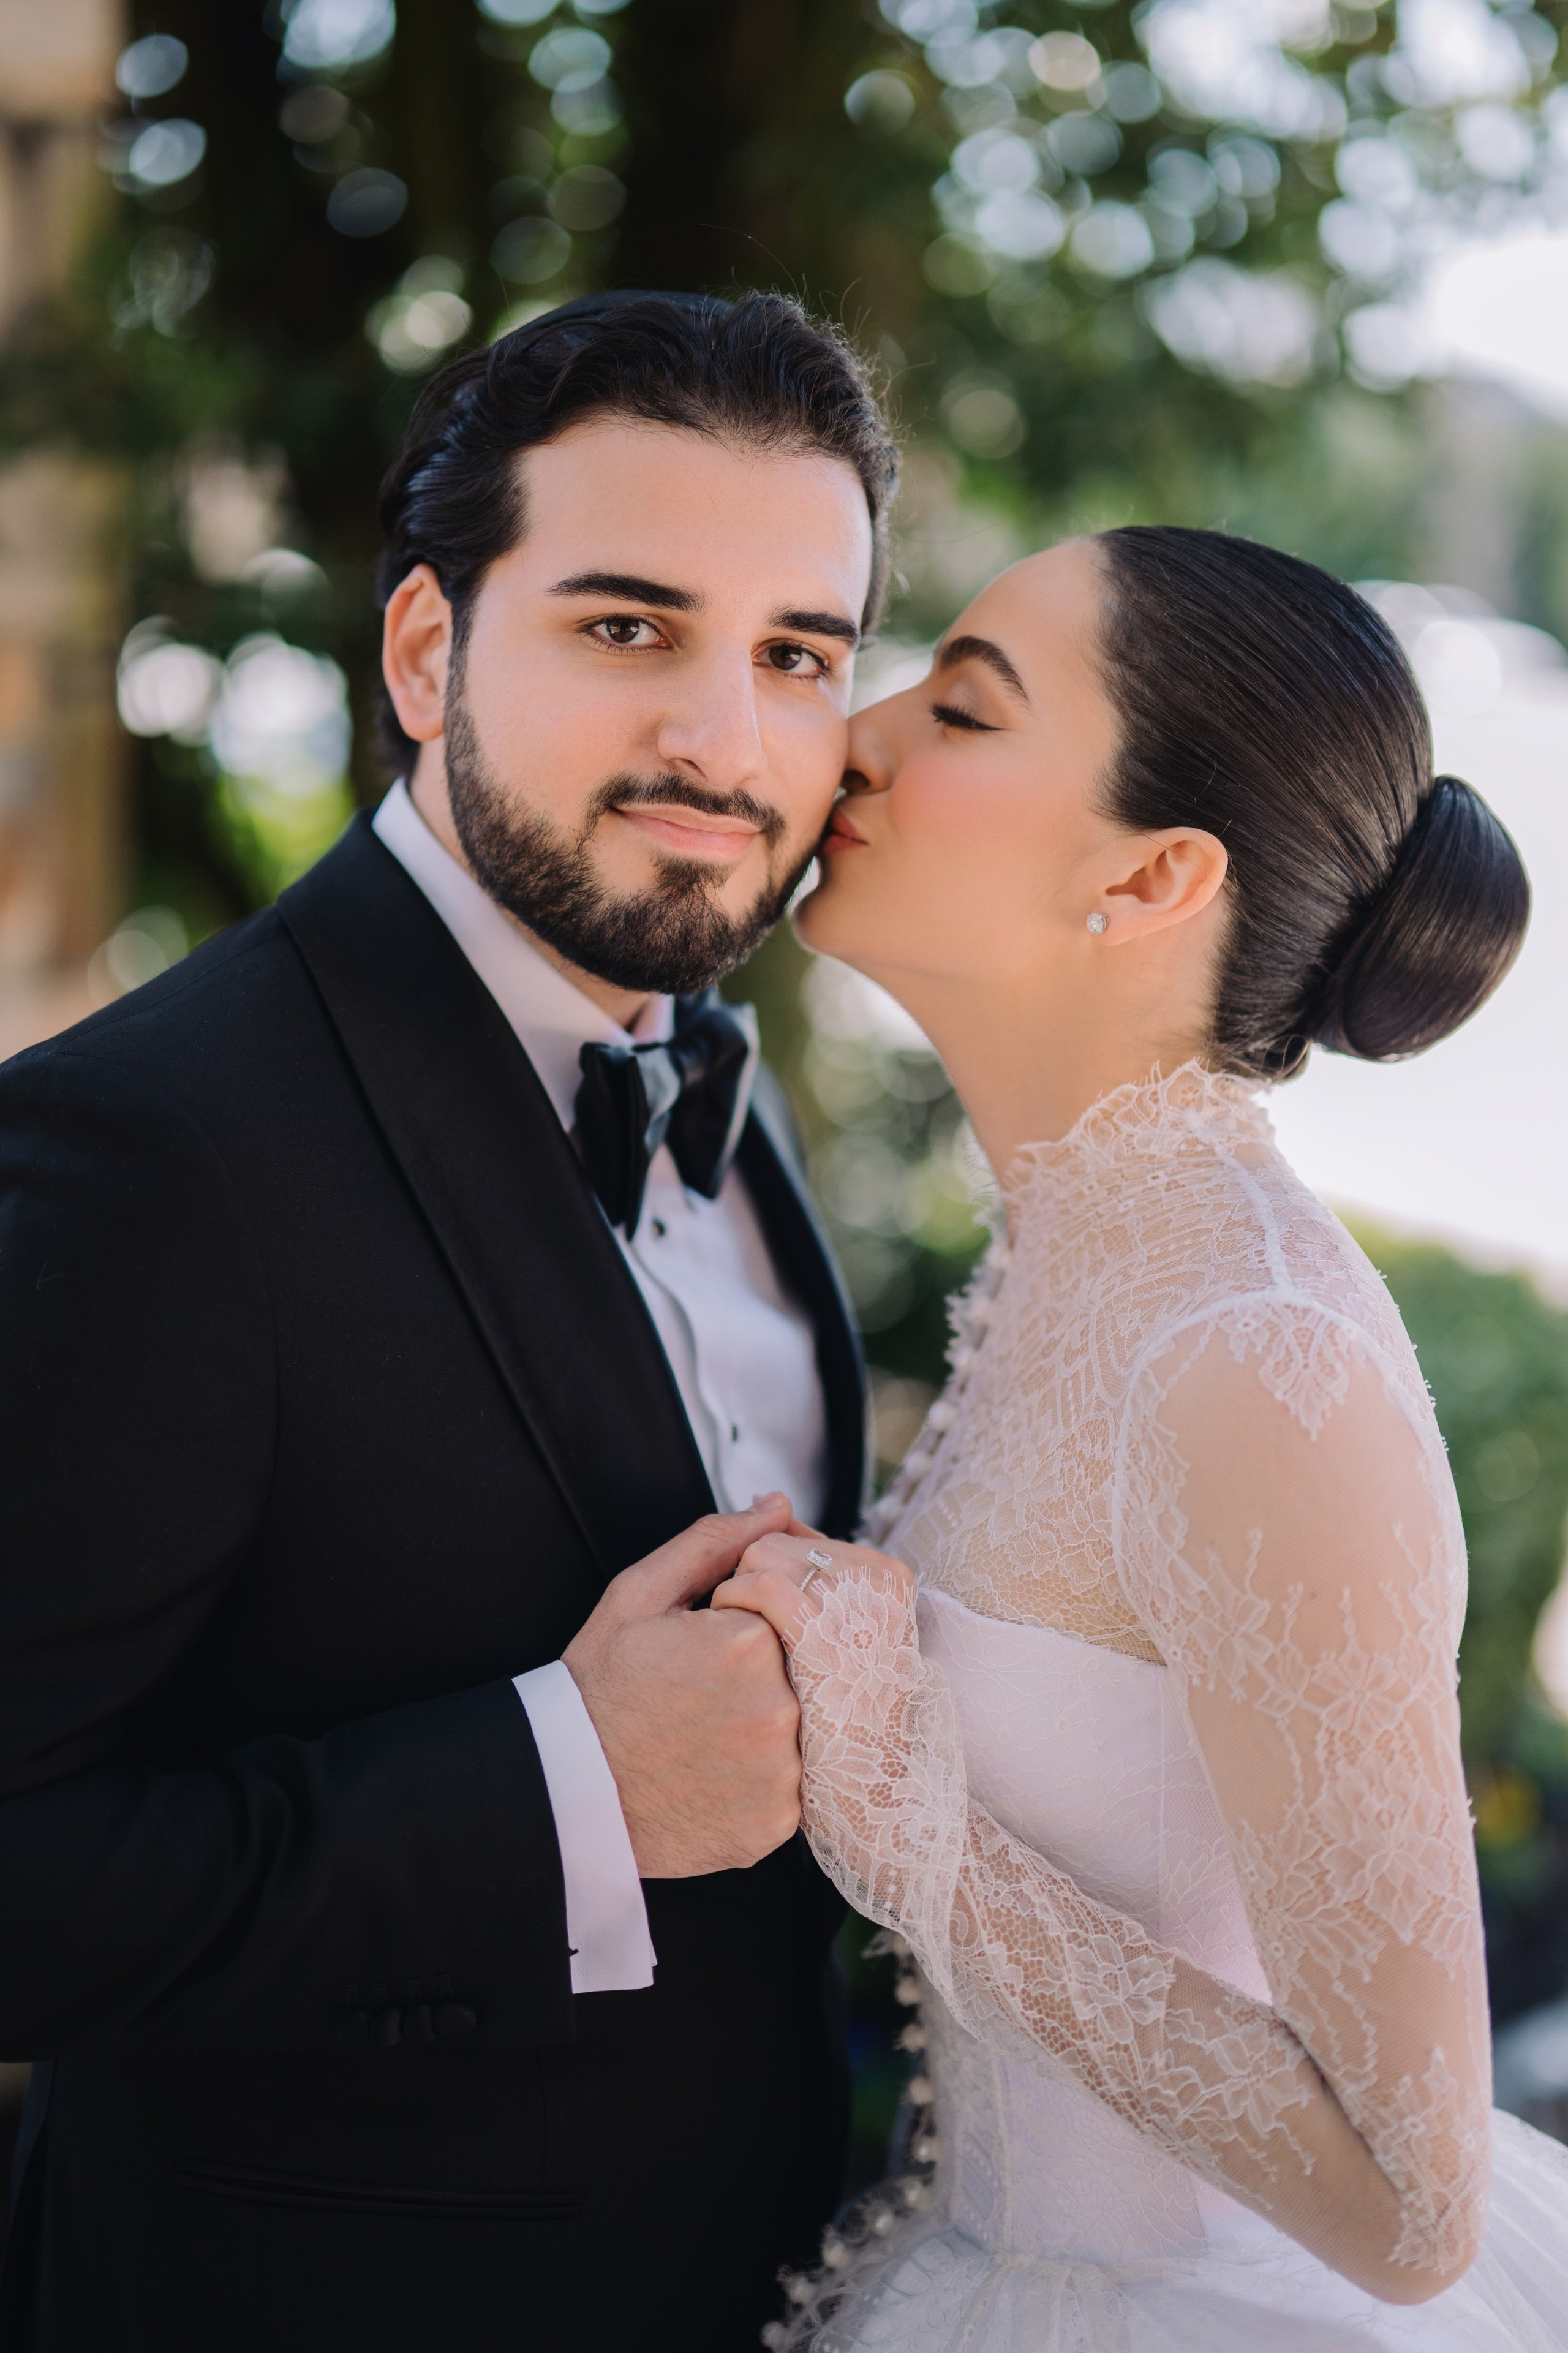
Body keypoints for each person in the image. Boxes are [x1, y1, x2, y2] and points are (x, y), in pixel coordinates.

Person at [0, 291, 896, 2353]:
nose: (724, 740)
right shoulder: (152, 1147)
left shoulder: (722, 1110)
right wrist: (558, 1784)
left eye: (797, 656)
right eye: (624, 627)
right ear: (427, 651)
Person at [716, 528, 1568, 2350]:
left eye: (960, 705)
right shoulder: (1076, 1258)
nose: (853, 737)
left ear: (1156, 874)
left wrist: (918, 1832)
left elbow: (1415, 2205)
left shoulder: (1253, 1352)